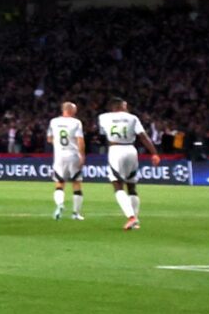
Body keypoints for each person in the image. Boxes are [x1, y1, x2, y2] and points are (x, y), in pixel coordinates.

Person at [97, 97, 156, 230]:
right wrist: (154, 153)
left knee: (117, 185)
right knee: (132, 186)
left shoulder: (103, 117)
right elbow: (143, 136)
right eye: (125, 105)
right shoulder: (132, 118)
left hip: (115, 150)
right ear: (119, 106)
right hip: (131, 150)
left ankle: (131, 217)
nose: (127, 108)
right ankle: (135, 219)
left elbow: (102, 134)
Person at [49, 99, 87, 220]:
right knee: (76, 183)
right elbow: (80, 141)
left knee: (59, 184)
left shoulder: (53, 122)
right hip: (73, 155)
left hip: (59, 156)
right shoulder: (76, 123)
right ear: (70, 110)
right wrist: (82, 155)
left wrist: (59, 144)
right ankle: (75, 213)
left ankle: (60, 204)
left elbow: (49, 139)